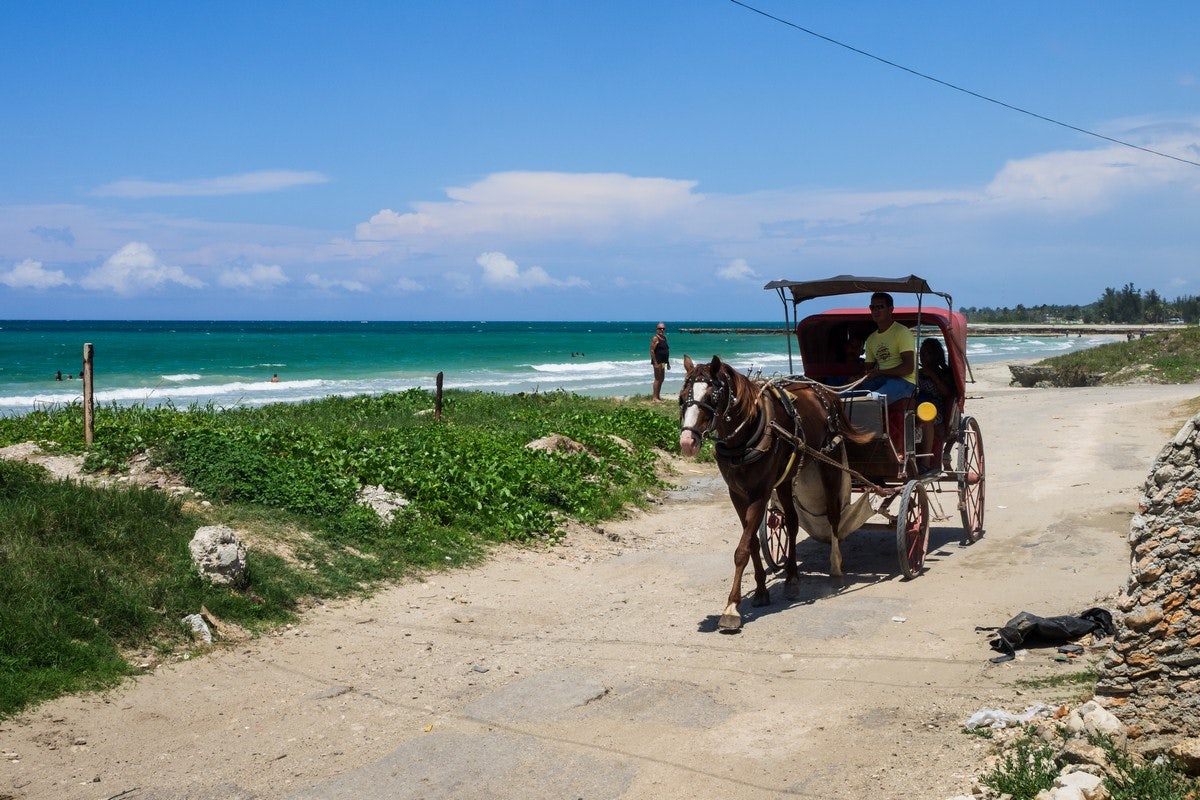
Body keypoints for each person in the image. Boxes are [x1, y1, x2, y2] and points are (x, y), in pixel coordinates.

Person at [860, 292, 916, 406]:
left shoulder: (902, 332)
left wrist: (879, 372)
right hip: (881, 379)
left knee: (871, 400)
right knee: (845, 396)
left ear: (891, 309)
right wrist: (858, 378)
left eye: (880, 307)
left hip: (904, 382)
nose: (875, 311)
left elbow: (908, 368)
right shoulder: (871, 339)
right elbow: (867, 370)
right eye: (872, 307)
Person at [916, 338, 953, 467]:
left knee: (927, 417)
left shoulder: (944, 373)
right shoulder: (916, 373)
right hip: (917, 405)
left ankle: (925, 461)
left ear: (936, 355)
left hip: (936, 408)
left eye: (928, 354)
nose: (923, 357)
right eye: (921, 354)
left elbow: (946, 393)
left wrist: (933, 376)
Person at [649, 322, 669, 402]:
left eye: (663, 328)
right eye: (660, 328)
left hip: (663, 362)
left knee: (662, 379)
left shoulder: (664, 338)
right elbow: (652, 350)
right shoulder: (655, 338)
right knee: (657, 379)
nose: (662, 330)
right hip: (657, 362)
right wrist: (655, 363)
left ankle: (658, 396)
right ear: (657, 329)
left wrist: (667, 363)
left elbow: (665, 350)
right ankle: (655, 397)